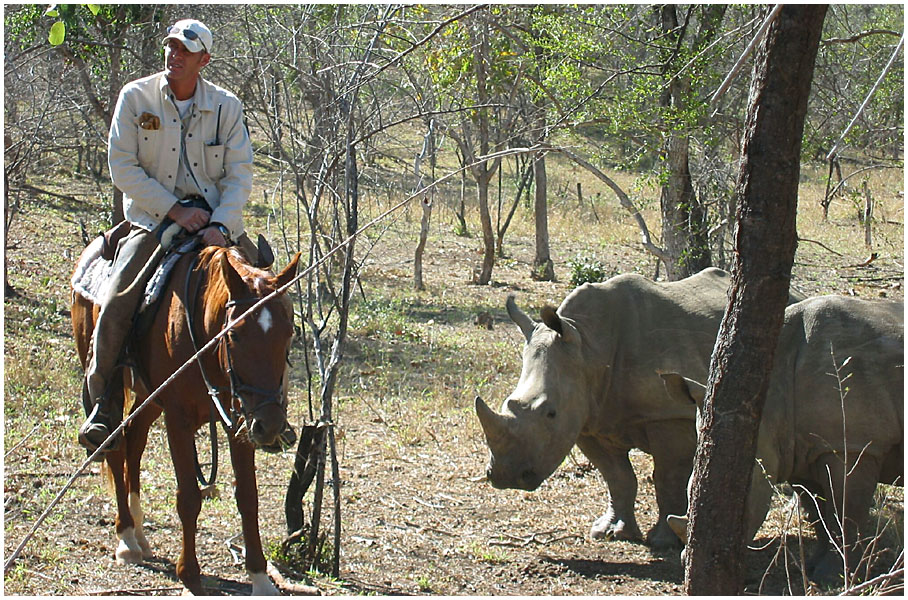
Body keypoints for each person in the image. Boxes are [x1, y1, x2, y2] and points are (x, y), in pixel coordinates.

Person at [79, 19, 264, 453]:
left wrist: (221, 225)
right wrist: (175, 210)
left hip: (216, 223)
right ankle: (103, 403)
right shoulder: (136, 96)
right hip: (154, 219)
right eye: (171, 47)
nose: (174, 55)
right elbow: (122, 165)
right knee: (119, 298)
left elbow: (239, 173)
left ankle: (268, 406)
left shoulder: (226, 106)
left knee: (265, 297)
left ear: (205, 60)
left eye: (186, 50)